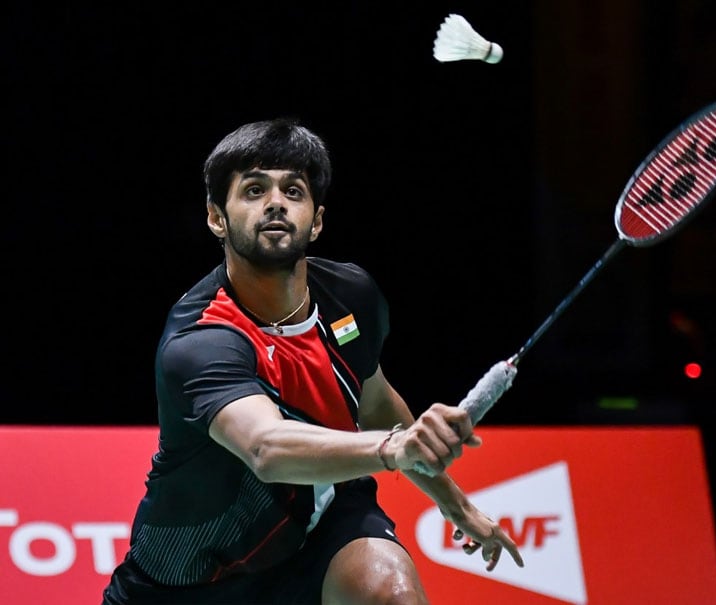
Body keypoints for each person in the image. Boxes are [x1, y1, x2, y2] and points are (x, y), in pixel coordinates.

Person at [101, 117, 524, 605]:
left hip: (320, 531)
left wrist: (455, 504)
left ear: (316, 221)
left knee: (392, 593)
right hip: (192, 576)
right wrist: (393, 449)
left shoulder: (351, 295)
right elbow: (266, 448)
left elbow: (375, 405)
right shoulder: (201, 339)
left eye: (293, 191)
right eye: (254, 190)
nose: (275, 202)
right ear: (217, 218)